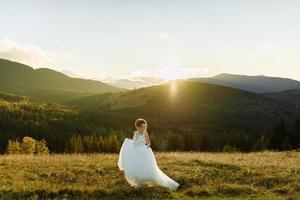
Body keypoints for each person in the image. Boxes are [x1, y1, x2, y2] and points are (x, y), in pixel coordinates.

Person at [118, 118, 180, 191]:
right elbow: (135, 143)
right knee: (137, 166)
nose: (143, 128)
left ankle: (147, 181)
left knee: (146, 167)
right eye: (142, 126)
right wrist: (130, 141)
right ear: (138, 127)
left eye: (145, 126)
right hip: (136, 150)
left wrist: (145, 147)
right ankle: (139, 182)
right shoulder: (135, 133)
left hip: (143, 151)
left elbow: (149, 143)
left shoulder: (145, 134)